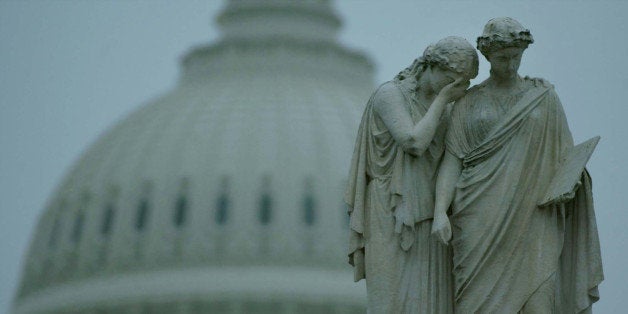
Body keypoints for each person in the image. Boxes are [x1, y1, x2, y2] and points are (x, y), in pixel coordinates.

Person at [431, 18, 603, 313]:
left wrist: (571, 181)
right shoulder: (468, 103)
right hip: (478, 218)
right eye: (501, 58)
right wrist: (439, 214)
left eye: (515, 57)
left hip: (534, 217)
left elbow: (565, 159)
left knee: (539, 303)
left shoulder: (543, 99)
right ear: (487, 56)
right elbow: (452, 161)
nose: (509, 65)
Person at [345, 36, 478, 313]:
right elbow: (413, 142)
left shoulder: (452, 106)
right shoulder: (390, 94)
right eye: (453, 78)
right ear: (432, 66)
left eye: (464, 82)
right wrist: (442, 100)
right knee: (390, 301)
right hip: (390, 208)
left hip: (431, 211)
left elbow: (456, 158)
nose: (458, 88)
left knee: (431, 303)